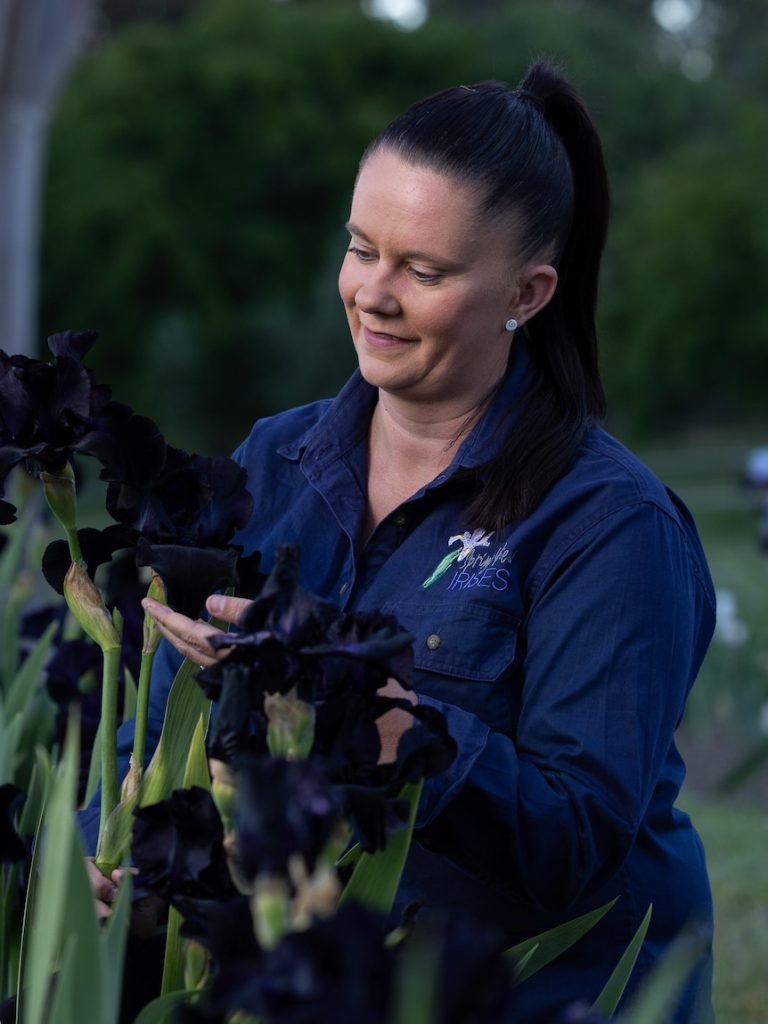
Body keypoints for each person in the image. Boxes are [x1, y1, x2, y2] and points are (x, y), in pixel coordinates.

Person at [83, 59, 716, 1021]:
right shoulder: (277, 460)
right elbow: (162, 720)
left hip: (532, 994)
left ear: (529, 292)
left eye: (423, 271)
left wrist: (385, 719)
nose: (372, 294)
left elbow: (575, 842)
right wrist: (110, 852)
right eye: (361, 247)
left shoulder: (609, 524)